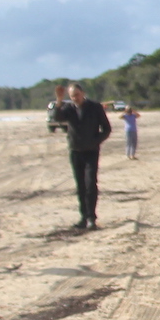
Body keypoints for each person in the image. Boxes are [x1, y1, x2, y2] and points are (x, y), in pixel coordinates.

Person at [54, 83, 113, 227]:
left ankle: (92, 218)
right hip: (75, 151)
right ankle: (83, 217)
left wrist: (95, 141)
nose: (75, 98)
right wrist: (59, 100)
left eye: (77, 95)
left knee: (90, 184)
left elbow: (107, 129)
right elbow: (57, 118)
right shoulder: (68, 108)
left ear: (83, 93)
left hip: (91, 152)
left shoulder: (95, 107)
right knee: (80, 186)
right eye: (72, 96)